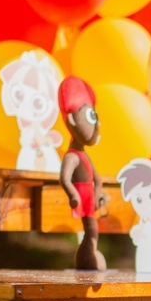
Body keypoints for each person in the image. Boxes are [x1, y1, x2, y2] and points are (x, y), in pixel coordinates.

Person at [58, 76, 107, 271]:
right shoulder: (72, 156)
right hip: (82, 196)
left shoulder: (82, 155)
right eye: (90, 117)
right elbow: (64, 178)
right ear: (71, 119)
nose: (97, 126)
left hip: (89, 196)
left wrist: (98, 194)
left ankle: (89, 253)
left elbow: (97, 178)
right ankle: (88, 255)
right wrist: (73, 196)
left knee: (92, 229)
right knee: (91, 230)